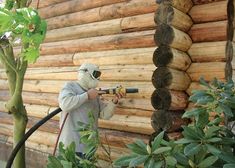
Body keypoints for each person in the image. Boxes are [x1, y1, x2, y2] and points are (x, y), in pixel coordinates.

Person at [57, 63, 125, 156]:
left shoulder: (94, 94)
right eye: (96, 74)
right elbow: (64, 104)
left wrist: (114, 101)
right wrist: (87, 96)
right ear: (85, 73)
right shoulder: (70, 86)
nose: (98, 78)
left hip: (89, 147)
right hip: (70, 147)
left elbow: (104, 115)